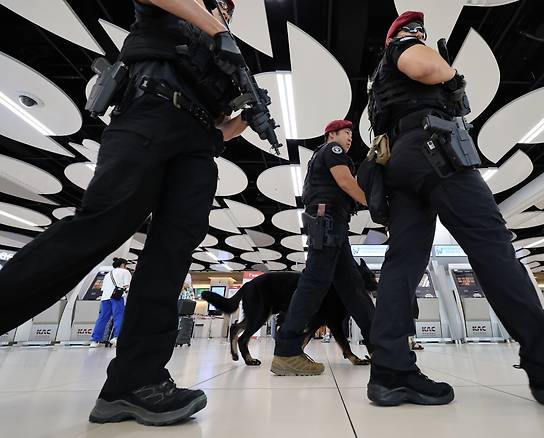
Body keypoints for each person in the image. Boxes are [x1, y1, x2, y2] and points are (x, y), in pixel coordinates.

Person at [0, 0, 261, 426]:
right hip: (149, 111)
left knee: (172, 255)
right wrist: (217, 31)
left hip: (196, 146)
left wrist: (242, 121)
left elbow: (216, 130)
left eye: (230, 11)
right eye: (223, 5)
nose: (227, 12)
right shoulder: (193, 16)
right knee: (102, 226)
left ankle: (134, 383)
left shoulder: (216, 51)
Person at [365, 10, 544, 407]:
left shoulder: (380, 82)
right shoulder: (406, 46)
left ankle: (390, 372)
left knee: (403, 262)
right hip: (433, 147)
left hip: (400, 162)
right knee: (492, 248)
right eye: (415, 30)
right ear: (404, 33)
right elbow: (423, 67)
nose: (420, 34)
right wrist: (449, 72)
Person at [270, 120, 374, 376]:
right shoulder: (332, 150)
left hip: (335, 226)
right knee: (314, 283)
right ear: (331, 135)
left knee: (353, 287)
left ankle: (381, 346)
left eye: (351, 133)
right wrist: (376, 206)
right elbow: (346, 182)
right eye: (345, 133)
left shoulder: (323, 156)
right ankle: (286, 350)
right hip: (327, 224)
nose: (350, 138)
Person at [90, 258, 132, 348]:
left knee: (102, 318)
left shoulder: (108, 274)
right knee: (118, 317)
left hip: (105, 298)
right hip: (118, 297)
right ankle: (117, 338)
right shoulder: (125, 272)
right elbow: (127, 287)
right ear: (122, 264)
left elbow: (103, 288)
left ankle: (94, 340)